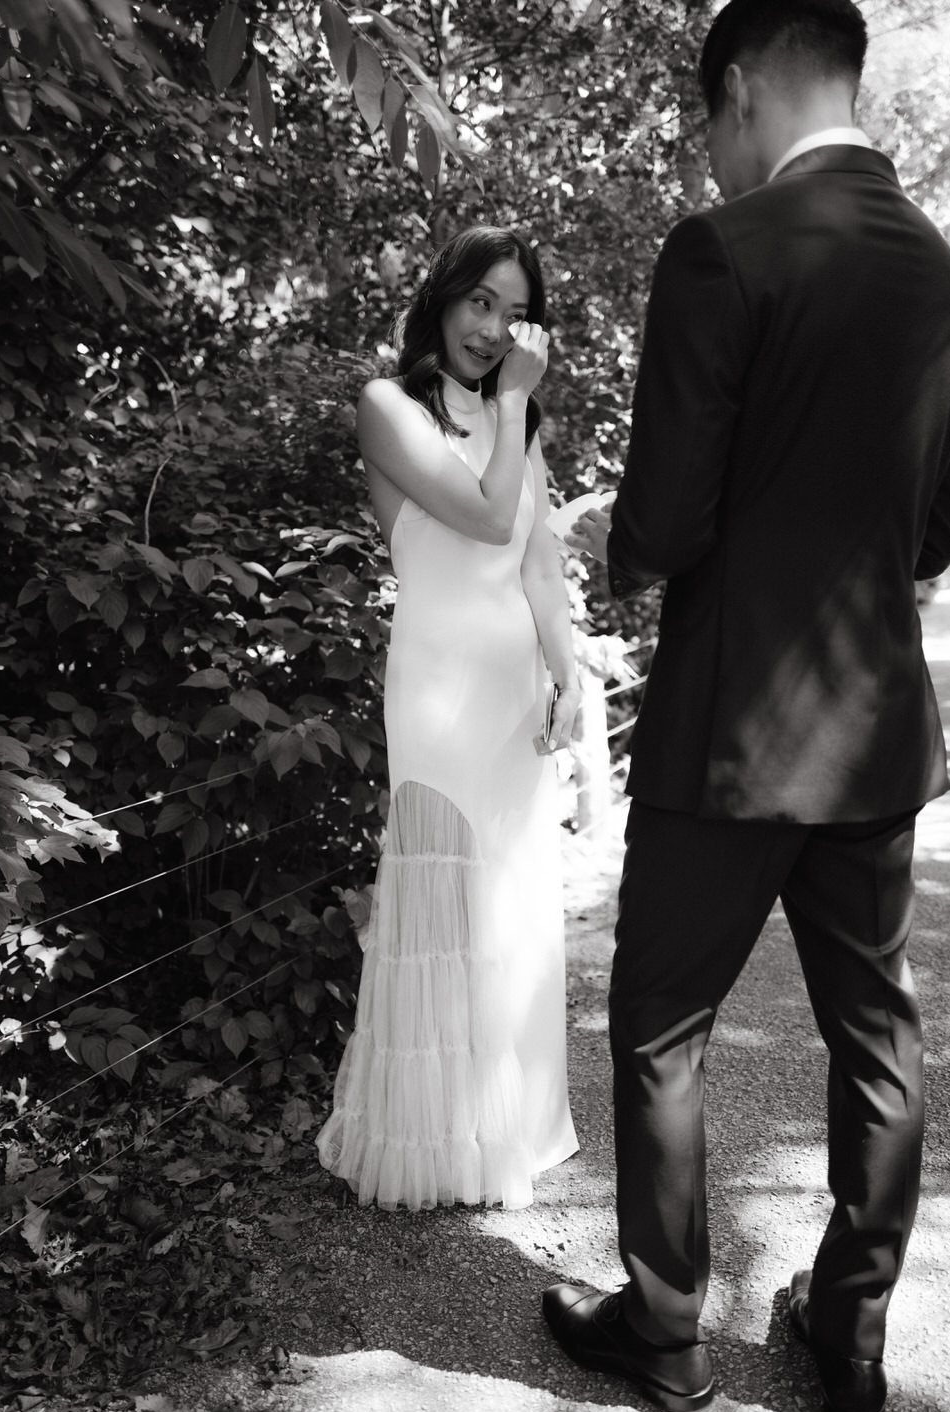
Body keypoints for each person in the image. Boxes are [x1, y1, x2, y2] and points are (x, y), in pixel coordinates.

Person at [541, 0, 950, 1412]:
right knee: (876, 1036)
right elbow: (937, 532)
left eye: (706, 124)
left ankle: (665, 1325)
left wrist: (624, 546)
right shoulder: (939, 267)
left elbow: (661, 522)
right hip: (871, 727)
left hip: (728, 728)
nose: (709, 155)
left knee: (660, 1020)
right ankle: (847, 1342)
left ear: (739, 91)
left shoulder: (721, 250)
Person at [317, 226, 581, 1213]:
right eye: (478, 300)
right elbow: (479, 515)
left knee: (513, 896)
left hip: (512, 693)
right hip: (436, 689)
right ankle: (437, 1139)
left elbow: (536, 559)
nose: (491, 327)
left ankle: (516, 1122)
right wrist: (511, 402)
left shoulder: (518, 418)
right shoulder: (387, 406)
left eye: (511, 310)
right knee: (447, 891)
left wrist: (567, 674)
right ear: (439, 298)